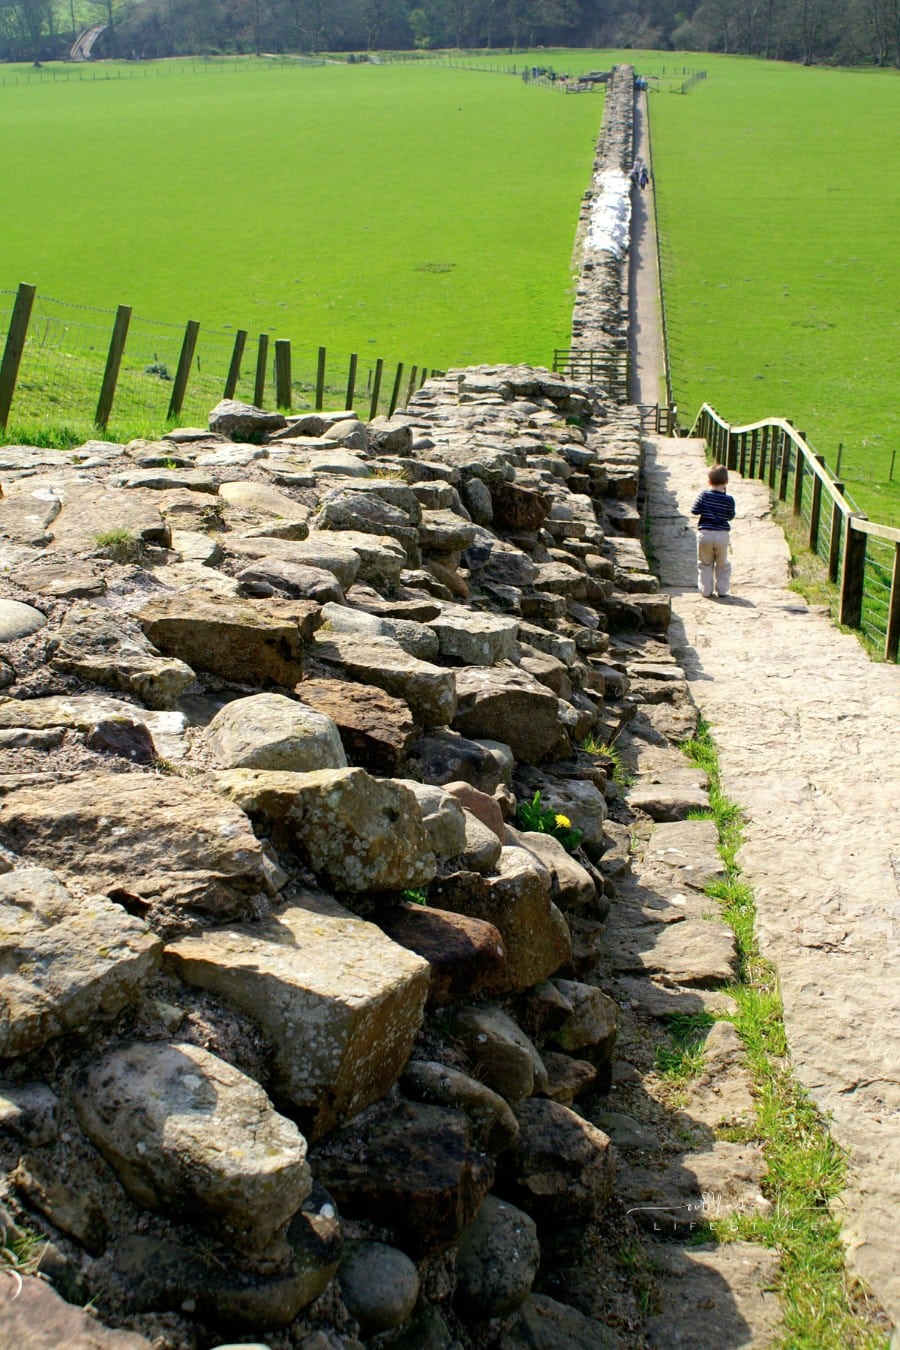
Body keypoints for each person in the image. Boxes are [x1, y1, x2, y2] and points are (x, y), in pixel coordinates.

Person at [691, 464, 736, 598]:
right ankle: (722, 590)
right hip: (722, 535)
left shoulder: (704, 495)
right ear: (726, 482)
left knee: (705, 563)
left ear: (709, 481)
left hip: (705, 534)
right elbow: (730, 516)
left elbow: (694, 510)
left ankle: (706, 590)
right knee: (722, 564)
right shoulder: (729, 499)